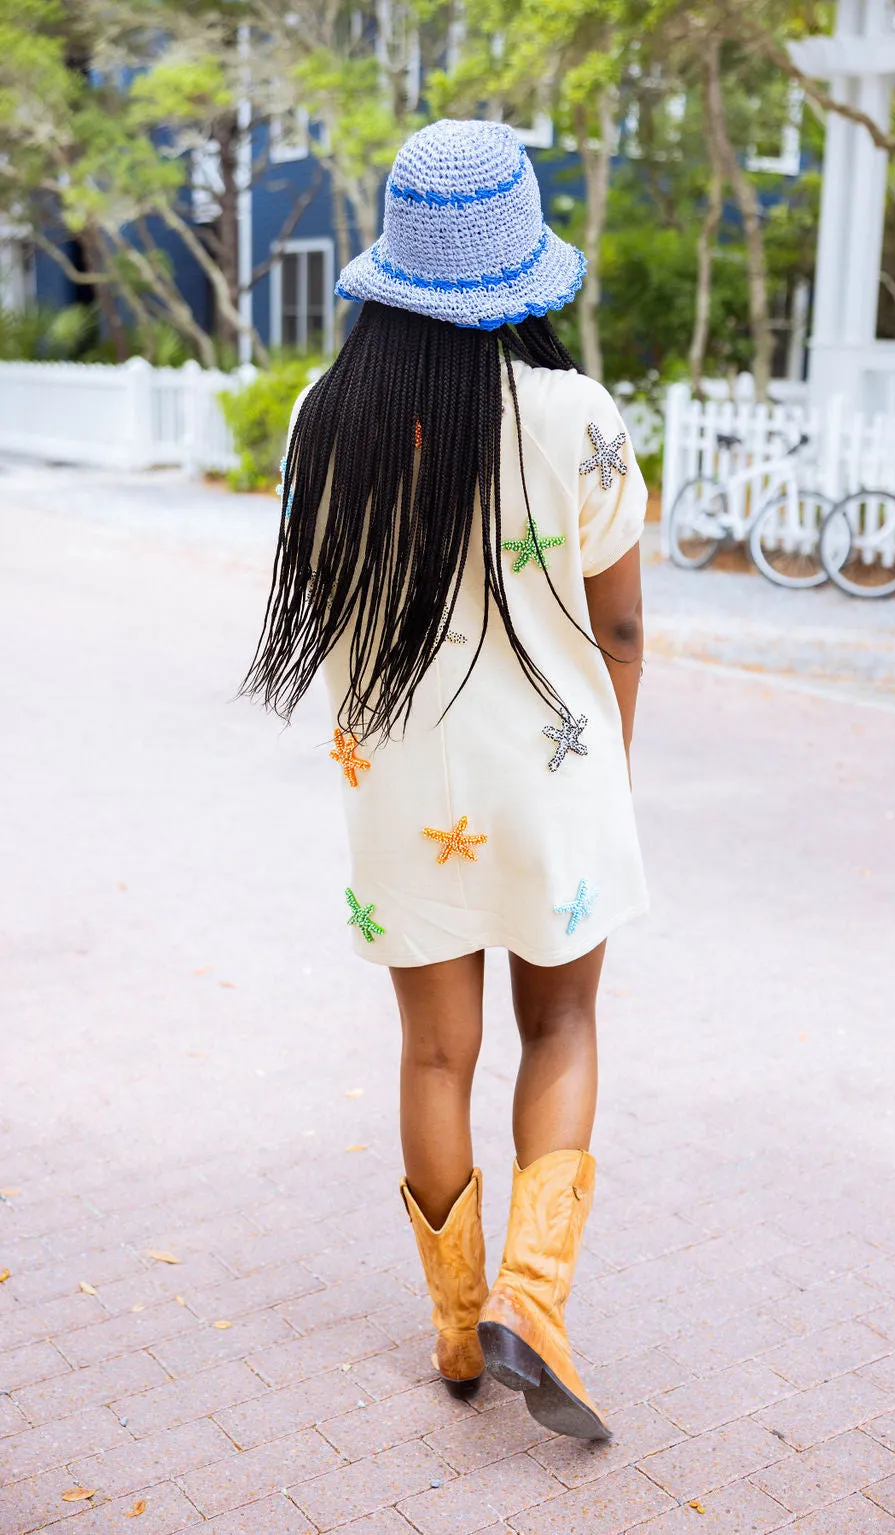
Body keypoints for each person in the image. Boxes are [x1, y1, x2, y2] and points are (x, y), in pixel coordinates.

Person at [244, 117, 647, 1442]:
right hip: (552, 779)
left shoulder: (327, 414)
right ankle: (534, 1295)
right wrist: (613, 774)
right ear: (522, 261)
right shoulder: (577, 413)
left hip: (399, 791)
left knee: (432, 1049)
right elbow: (624, 629)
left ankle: (454, 1326)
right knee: (566, 1029)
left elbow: (325, 600)